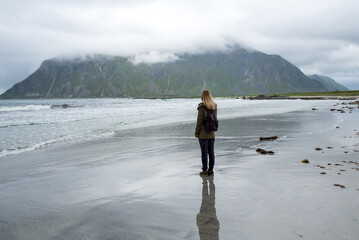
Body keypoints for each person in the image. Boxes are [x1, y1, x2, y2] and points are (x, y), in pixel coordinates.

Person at [195, 90, 217, 176]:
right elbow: (214, 119)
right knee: (211, 152)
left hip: (203, 134)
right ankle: (211, 170)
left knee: (204, 153)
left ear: (202, 97)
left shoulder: (202, 107)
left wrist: (196, 132)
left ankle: (204, 171)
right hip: (212, 133)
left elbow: (199, 121)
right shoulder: (214, 106)